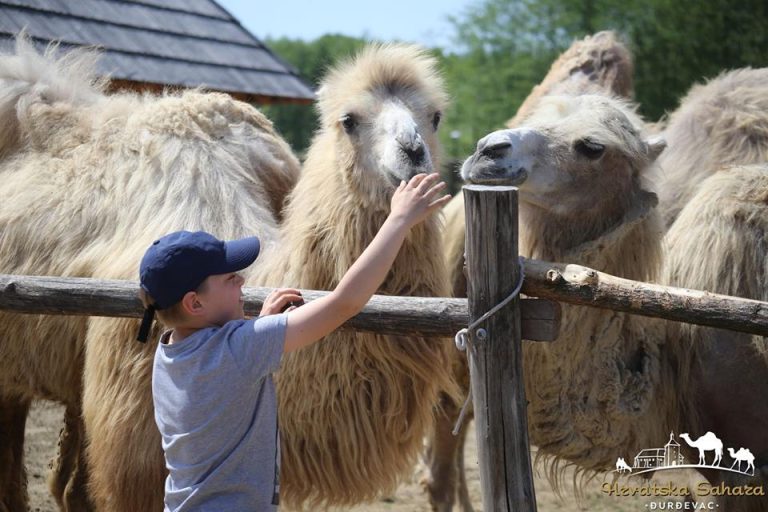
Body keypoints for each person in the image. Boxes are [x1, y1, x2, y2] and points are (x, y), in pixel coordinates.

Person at [136, 172, 450, 511]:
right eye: (229, 279)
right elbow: (346, 302)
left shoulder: (169, 351)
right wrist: (399, 220)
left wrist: (260, 325)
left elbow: (220, 364)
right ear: (194, 303)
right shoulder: (240, 348)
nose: (242, 280)